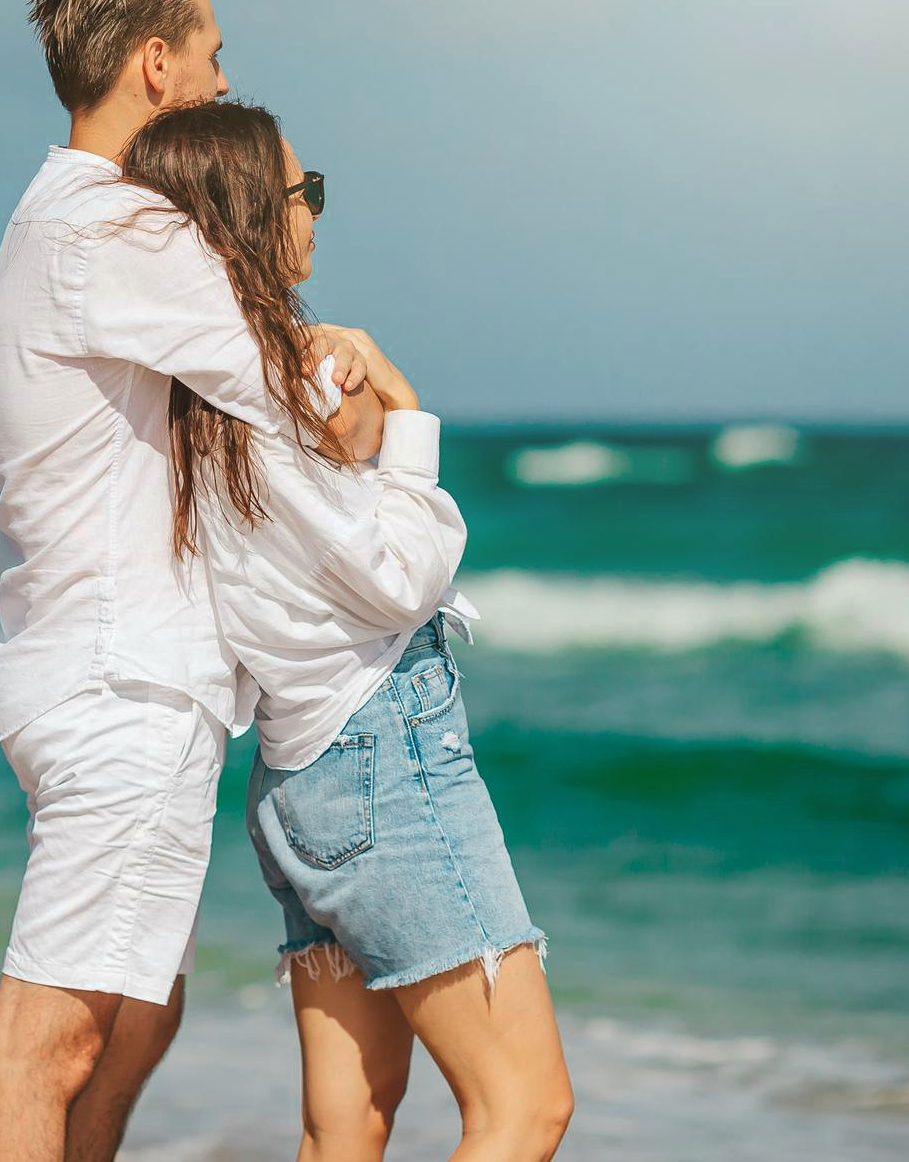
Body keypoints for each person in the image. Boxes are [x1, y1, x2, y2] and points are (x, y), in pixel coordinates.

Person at [0, 0, 379, 1162]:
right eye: (209, 59)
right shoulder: (119, 234)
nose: (219, 89)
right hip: (118, 683)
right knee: (55, 1031)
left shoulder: (63, 223)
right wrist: (364, 383)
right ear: (155, 64)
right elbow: (301, 403)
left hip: (99, 669)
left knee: (136, 1011)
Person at [119, 99, 576, 1161]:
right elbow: (398, 577)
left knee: (344, 1125)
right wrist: (407, 417)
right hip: (383, 761)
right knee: (522, 1106)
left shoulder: (186, 401)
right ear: (246, 218)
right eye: (300, 192)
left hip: (297, 778)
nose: (315, 213)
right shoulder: (265, 400)